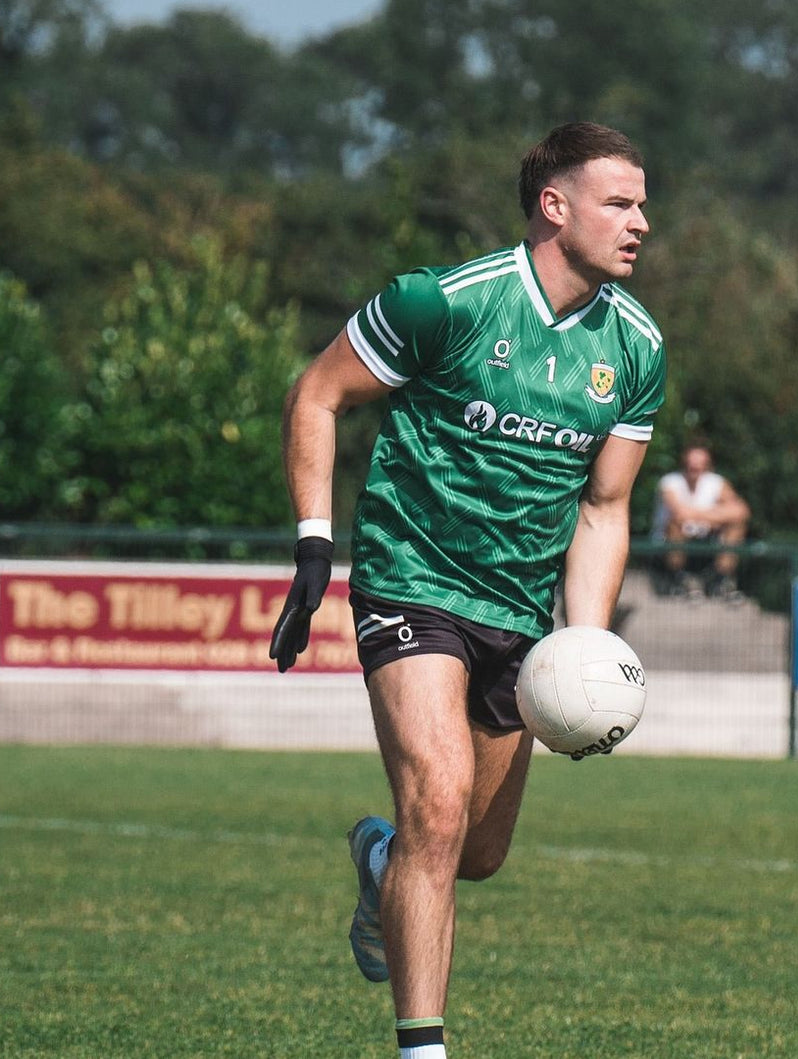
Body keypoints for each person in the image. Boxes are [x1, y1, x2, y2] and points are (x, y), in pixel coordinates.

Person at [269, 122, 666, 1059]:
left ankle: (378, 859)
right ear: (553, 206)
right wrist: (315, 546)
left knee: (474, 852)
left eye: (644, 203)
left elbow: (605, 509)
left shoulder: (638, 348)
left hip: (520, 619)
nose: (642, 221)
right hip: (413, 582)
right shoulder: (442, 303)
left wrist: (587, 652)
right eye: (621, 202)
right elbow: (318, 393)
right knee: (437, 806)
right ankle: (423, 1048)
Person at [650, 438, 750, 600]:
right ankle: (679, 578)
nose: (694, 469)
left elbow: (740, 511)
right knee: (675, 525)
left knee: (736, 525)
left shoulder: (716, 482)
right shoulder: (669, 483)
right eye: (691, 465)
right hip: (670, 543)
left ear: (707, 465)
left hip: (706, 539)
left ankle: (722, 578)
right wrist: (717, 515)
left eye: (698, 465)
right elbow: (679, 514)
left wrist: (697, 515)